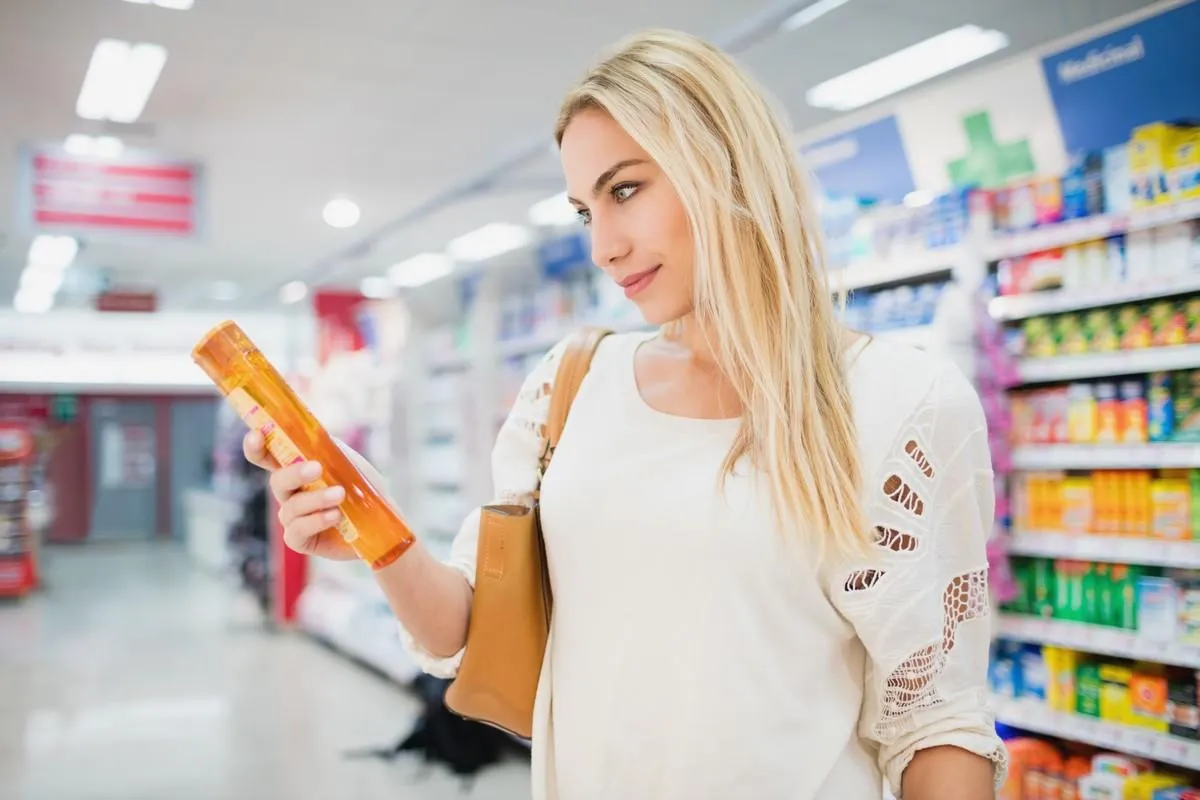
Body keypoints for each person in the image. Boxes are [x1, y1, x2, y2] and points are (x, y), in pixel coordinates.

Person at [245, 29, 1006, 800]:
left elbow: (937, 727)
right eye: (583, 210)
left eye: (626, 189)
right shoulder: (572, 387)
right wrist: (377, 529)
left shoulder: (897, 403)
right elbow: (468, 634)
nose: (604, 246)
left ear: (725, 165)